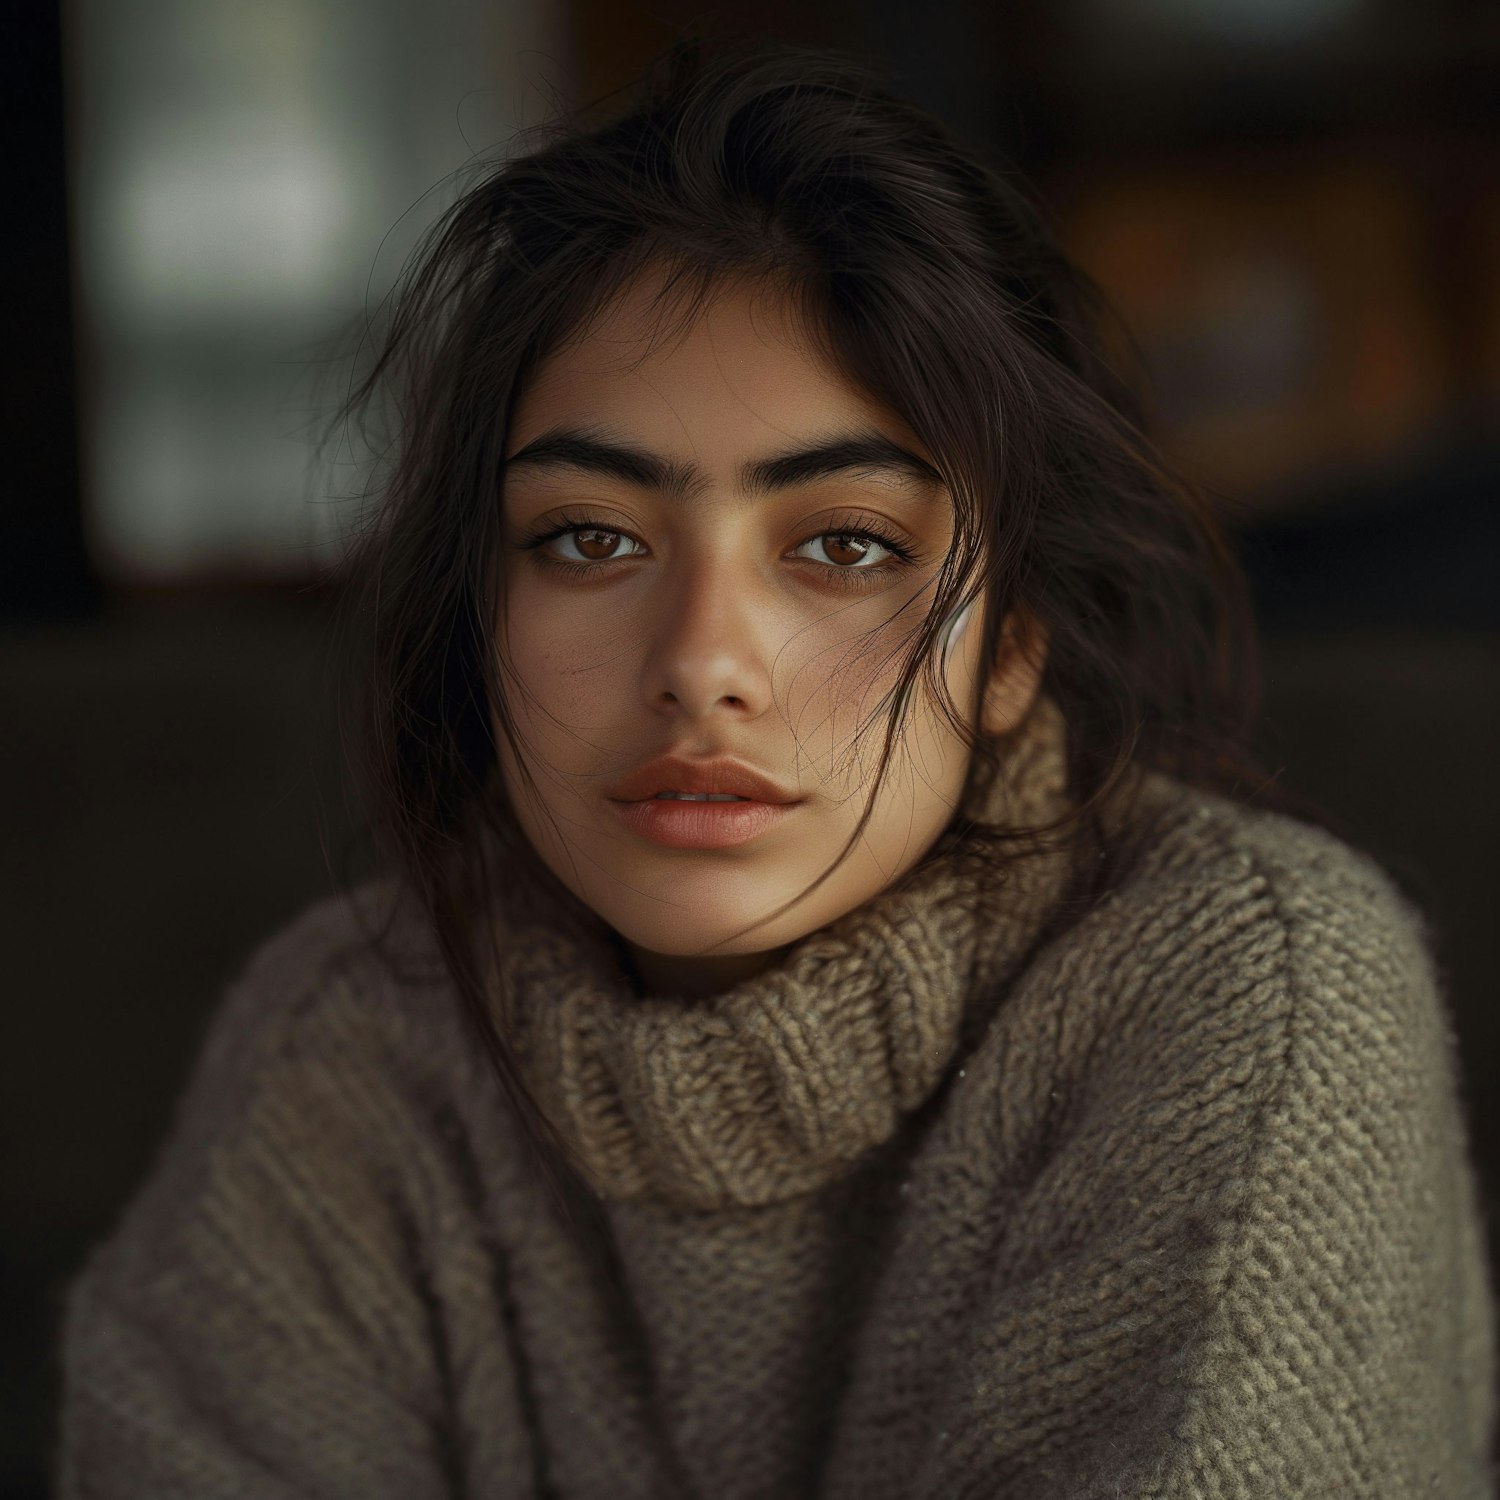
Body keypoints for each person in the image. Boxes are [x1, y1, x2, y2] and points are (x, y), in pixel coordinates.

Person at [55, 38, 1496, 1499]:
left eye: (846, 547)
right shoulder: (347, 1051)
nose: (702, 660)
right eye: (589, 539)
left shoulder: (1250, 989)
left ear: (1012, 649)